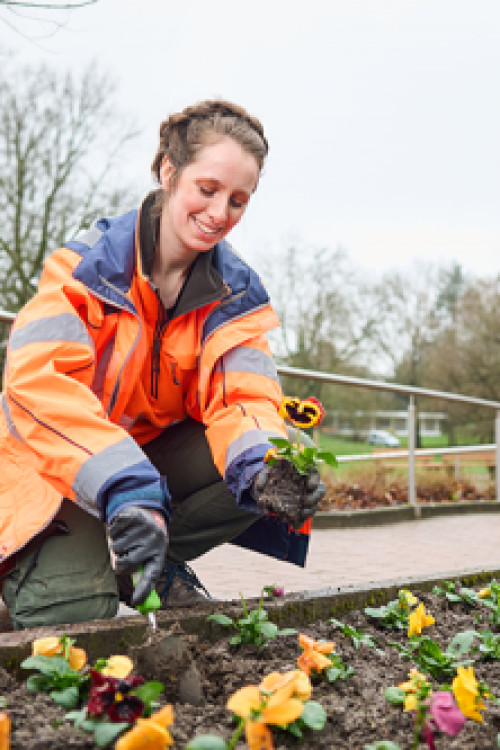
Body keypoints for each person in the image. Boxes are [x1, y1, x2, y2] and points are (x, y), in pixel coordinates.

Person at [0, 100, 325, 630]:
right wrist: (126, 487)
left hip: (144, 464)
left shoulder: (234, 295)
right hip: (51, 463)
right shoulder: (85, 269)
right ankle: (43, 584)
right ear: (169, 172)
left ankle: (148, 562)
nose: (220, 213)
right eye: (207, 189)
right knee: (79, 619)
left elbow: (242, 400)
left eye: (238, 201)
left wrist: (267, 467)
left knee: (286, 457)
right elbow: (39, 387)